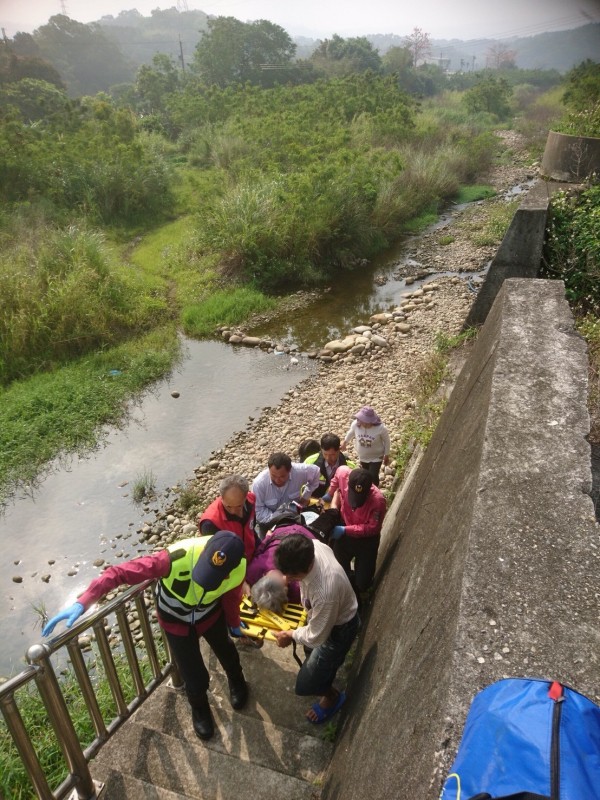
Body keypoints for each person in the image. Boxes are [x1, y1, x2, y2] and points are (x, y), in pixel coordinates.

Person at [42, 531, 248, 742]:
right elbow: (119, 574)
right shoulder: (174, 557)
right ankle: (200, 708)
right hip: (176, 622)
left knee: (226, 649)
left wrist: (233, 623)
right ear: (204, 552)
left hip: (209, 615)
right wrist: (84, 601)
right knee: (193, 673)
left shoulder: (239, 567)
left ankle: (237, 680)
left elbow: (232, 598)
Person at [272, 534, 359, 724]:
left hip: (339, 629)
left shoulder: (325, 591)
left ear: (306, 568)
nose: (287, 579)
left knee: (305, 684)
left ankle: (333, 696)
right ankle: (327, 671)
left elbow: (316, 636)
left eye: (292, 576)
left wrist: (290, 635)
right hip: (324, 614)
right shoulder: (312, 546)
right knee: (311, 653)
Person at [326, 466, 387, 597]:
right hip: (345, 532)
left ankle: (359, 587)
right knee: (338, 570)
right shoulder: (343, 474)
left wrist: (345, 530)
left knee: (363, 584)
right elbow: (336, 479)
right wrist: (330, 493)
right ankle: (347, 584)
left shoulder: (378, 502)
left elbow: (372, 528)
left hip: (366, 540)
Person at [247, 522, 317, 609]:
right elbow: (259, 550)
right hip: (281, 533)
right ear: (263, 576)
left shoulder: (298, 590)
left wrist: (268, 538)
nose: (286, 577)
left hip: (306, 537)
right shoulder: (253, 571)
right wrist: (268, 538)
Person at [251, 452, 321, 535]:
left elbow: (316, 472)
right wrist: (281, 520)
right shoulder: (259, 484)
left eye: (282, 476)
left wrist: (306, 496)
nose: (277, 480)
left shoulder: (300, 471)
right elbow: (259, 510)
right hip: (268, 524)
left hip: (295, 519)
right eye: (273, 476)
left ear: (290, 470)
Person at [197, 474, 256, 561]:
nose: (233, 511)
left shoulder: (251, 500)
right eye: (228, 506)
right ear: (222, 498)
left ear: (245, 497)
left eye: (239, 506)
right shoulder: (210, 523)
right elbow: (213, 557)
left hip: (252, 555)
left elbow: (252, 530)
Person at [341, 406, 391, 486]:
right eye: (362, 420)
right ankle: (367, 490)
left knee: (373, 475)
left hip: (376, 456)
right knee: (365, 474)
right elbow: (351, 433)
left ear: (372, 421)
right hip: (363, 456)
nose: (363, 423)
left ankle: (375, 491)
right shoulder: (356, 424)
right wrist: (345, 442)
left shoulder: (380, 428)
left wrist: (386, 454)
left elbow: (387, 441)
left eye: (366, 422)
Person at [304, 433, 356, 498]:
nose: (328, 458)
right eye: (325, 454)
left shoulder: (350, 467)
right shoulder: (309, 463)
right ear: (321, 449)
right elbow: (302, 486)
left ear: (339, 450)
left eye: (332, 455)